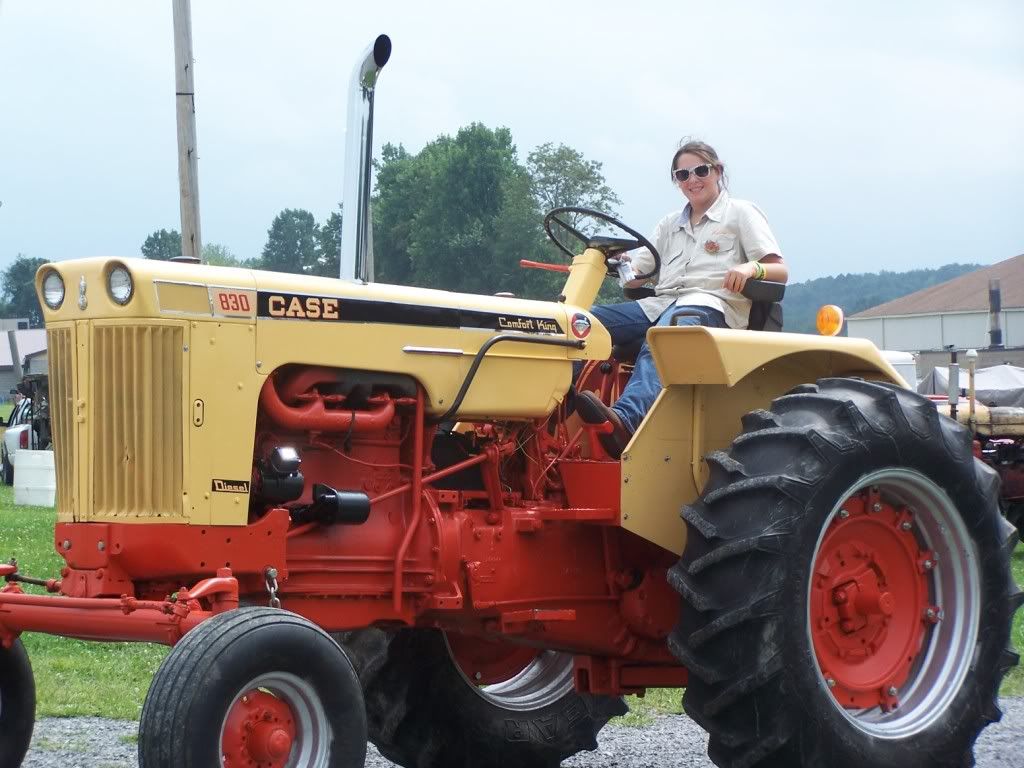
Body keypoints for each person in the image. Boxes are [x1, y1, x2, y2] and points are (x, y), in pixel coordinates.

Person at [576, 139, 788, 458]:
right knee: (580, 323)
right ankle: (550, 411)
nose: (692, 180)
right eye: (682, 174)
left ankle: (626, 422)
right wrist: (616, 262)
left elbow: (779, 270)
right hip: (661, 304)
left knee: (664, 336)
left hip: (711, 306)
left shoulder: (740, 213)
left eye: (700, 170)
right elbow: (637, 274)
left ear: (717, 172)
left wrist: (747, 268)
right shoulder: (668, 225)